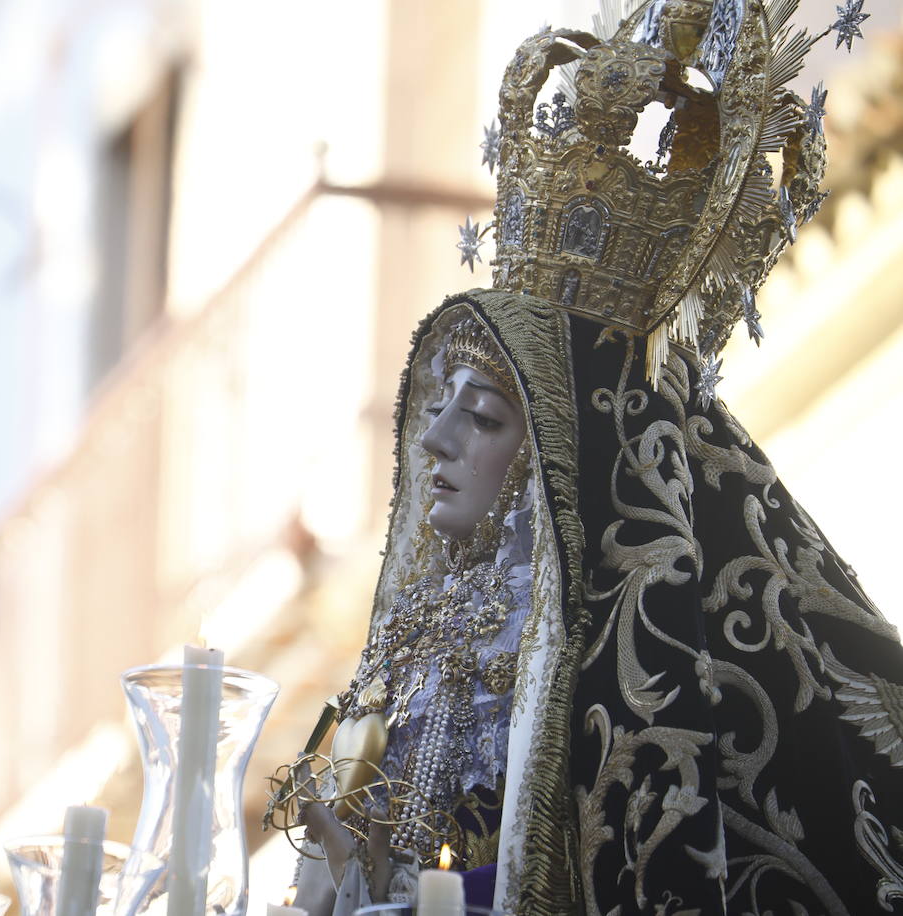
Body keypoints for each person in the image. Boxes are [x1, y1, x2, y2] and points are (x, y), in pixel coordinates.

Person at [271, 2, 903, 914]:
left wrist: (426, 897)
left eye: (483, 415)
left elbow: (631, 872)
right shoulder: (456, 655)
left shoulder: (645, 658)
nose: (435, 438)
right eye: (438, 404)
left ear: (562, 458)